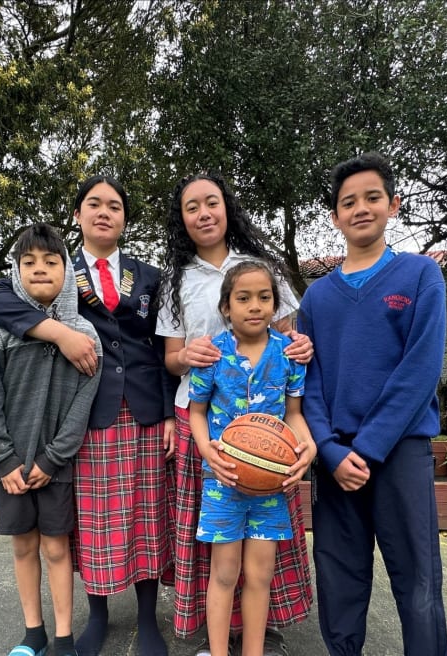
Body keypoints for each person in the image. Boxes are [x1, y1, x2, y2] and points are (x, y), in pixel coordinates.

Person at [0, 175, 176, 656]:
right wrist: (58, 333)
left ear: (125, 218)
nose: (104, 211)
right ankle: (99, 615)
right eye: (93, 204)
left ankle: (147, 618)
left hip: (146, 406)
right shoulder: (60, 270)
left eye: (114, 205)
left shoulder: (149, 276)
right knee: (94, 521)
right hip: (88, 408)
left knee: (147, 513)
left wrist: (171, 411)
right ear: (78, 215)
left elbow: (166, 340)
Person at [156, 172, 314, 656]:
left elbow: (288, 340)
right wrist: (191, 357)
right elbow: (171, 359)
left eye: (212, 203)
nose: (204, 213)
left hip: (267, 439)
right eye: (192, 207)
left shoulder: (262, 268)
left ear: (227, 208)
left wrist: (301, 345)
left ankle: (257, 638)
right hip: (211, 431)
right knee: (217, 559)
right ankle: (216, 641)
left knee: (261, 565)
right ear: (181, 219)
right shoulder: (176, 280)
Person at [299, 152, 447, 656]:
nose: (360, 208)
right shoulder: (317, 297)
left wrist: (368, 446)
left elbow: (421, 369)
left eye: (371, 198)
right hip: (335, 458)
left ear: (394, 205)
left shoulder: (420, 276)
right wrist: (329, 450)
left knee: (417, 579)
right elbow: (309, 381)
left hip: (400, 449)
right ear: (335, 216)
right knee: (339, 579)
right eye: (348, 202)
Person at [0, 222, 102, 656]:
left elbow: (82, 406)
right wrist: (2, 459)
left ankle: (64, 636)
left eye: (51, 261)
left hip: (56, 467)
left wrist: (53, 460)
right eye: (28, 262)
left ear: (68, 271)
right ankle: (34, 634)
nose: (40, 269)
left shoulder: (86, 337)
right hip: (10, 466)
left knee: (56, 547)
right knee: (24, 545)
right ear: (15, 271)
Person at [187, 261, 317, 656]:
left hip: (271, 486)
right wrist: (207, 447)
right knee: (224, 575)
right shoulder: (211, 353)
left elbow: (294, 414)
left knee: (261, 576)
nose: (255, 306)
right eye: (243, 298)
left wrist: (307, 446)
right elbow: (195, 412)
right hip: (222, 481)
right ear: (227, 306)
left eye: (264, 297)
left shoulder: (289, 354)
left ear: (275, 305)